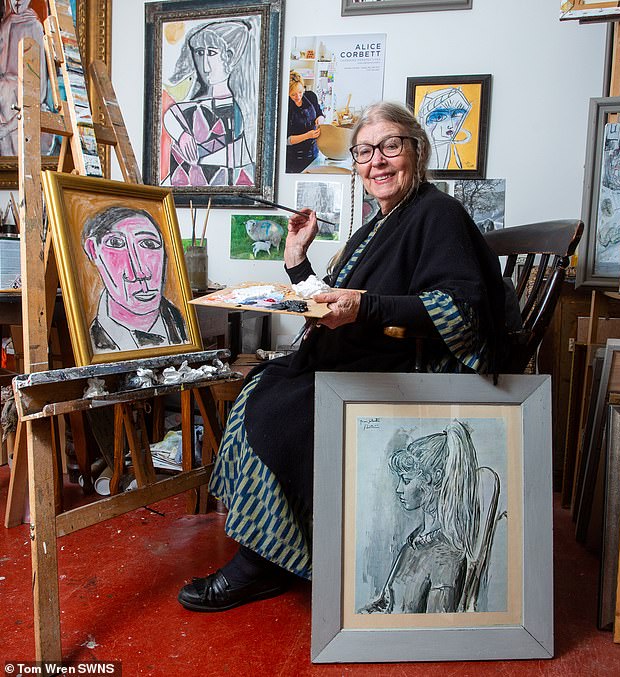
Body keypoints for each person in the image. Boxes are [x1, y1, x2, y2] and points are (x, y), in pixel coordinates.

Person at [177, 101, 509, 612]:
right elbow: (337, 303)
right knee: (262, 384)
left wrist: (365, 306)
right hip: (366, 359)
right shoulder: (383, 221)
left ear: (416, 152)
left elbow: (458, 308)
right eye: (364, 152)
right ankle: (275, 551)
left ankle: (257, 566)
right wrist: (297, 260)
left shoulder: (436, 213)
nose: (377, 161)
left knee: (277, 409)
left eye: (390, 146)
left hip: (406, 371)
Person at [360, 420, 488, 615]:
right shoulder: (412, 545)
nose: (399, 489)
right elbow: (386, 604)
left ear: (433, 478)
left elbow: (437, 629)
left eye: (406, 480)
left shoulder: (446, 558)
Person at [162, 20, 255, 188]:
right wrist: (182, 136)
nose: (204, 65)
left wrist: (198, 156)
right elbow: (170, 115)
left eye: (211, 53)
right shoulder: (194, 105)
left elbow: (240, 157)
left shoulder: (239, 109)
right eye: (199, 53)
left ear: (229, 57)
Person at [82, 206, 188, 353]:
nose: (140, 273)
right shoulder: (91, 342)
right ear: (93, 250)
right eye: (116, 243)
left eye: (149, 244)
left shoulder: (185, 327)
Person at [0, 0, 49, 155]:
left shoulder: (34, 26)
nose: (18, 1)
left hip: (23, 96)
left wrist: (7, 127)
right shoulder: (5, 24)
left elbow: (39, 91)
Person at [285, 71, 325, 173]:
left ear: (303, 87)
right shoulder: (285, 105)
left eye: (300, 92)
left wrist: (320, 118)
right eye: (293, 94)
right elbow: (287, 140)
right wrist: (307, 135)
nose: (298, 97)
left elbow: (320, 114)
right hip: (294, 158)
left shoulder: (311, 96)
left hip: (314, 152)